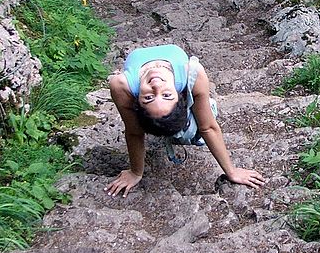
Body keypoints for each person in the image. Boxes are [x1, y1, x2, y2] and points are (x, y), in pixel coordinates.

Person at [104, 43, 266, 197]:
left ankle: (185, 125)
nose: (156, 86)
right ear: (135, 102)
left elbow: (208, 127)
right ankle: (174, 127)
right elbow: (134, 132)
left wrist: (231, 171)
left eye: (149, 97)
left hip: (188, 96)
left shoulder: (123, 84)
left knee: (196, 127)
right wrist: (136, 172)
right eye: (166, 95)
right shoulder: (190, 73)